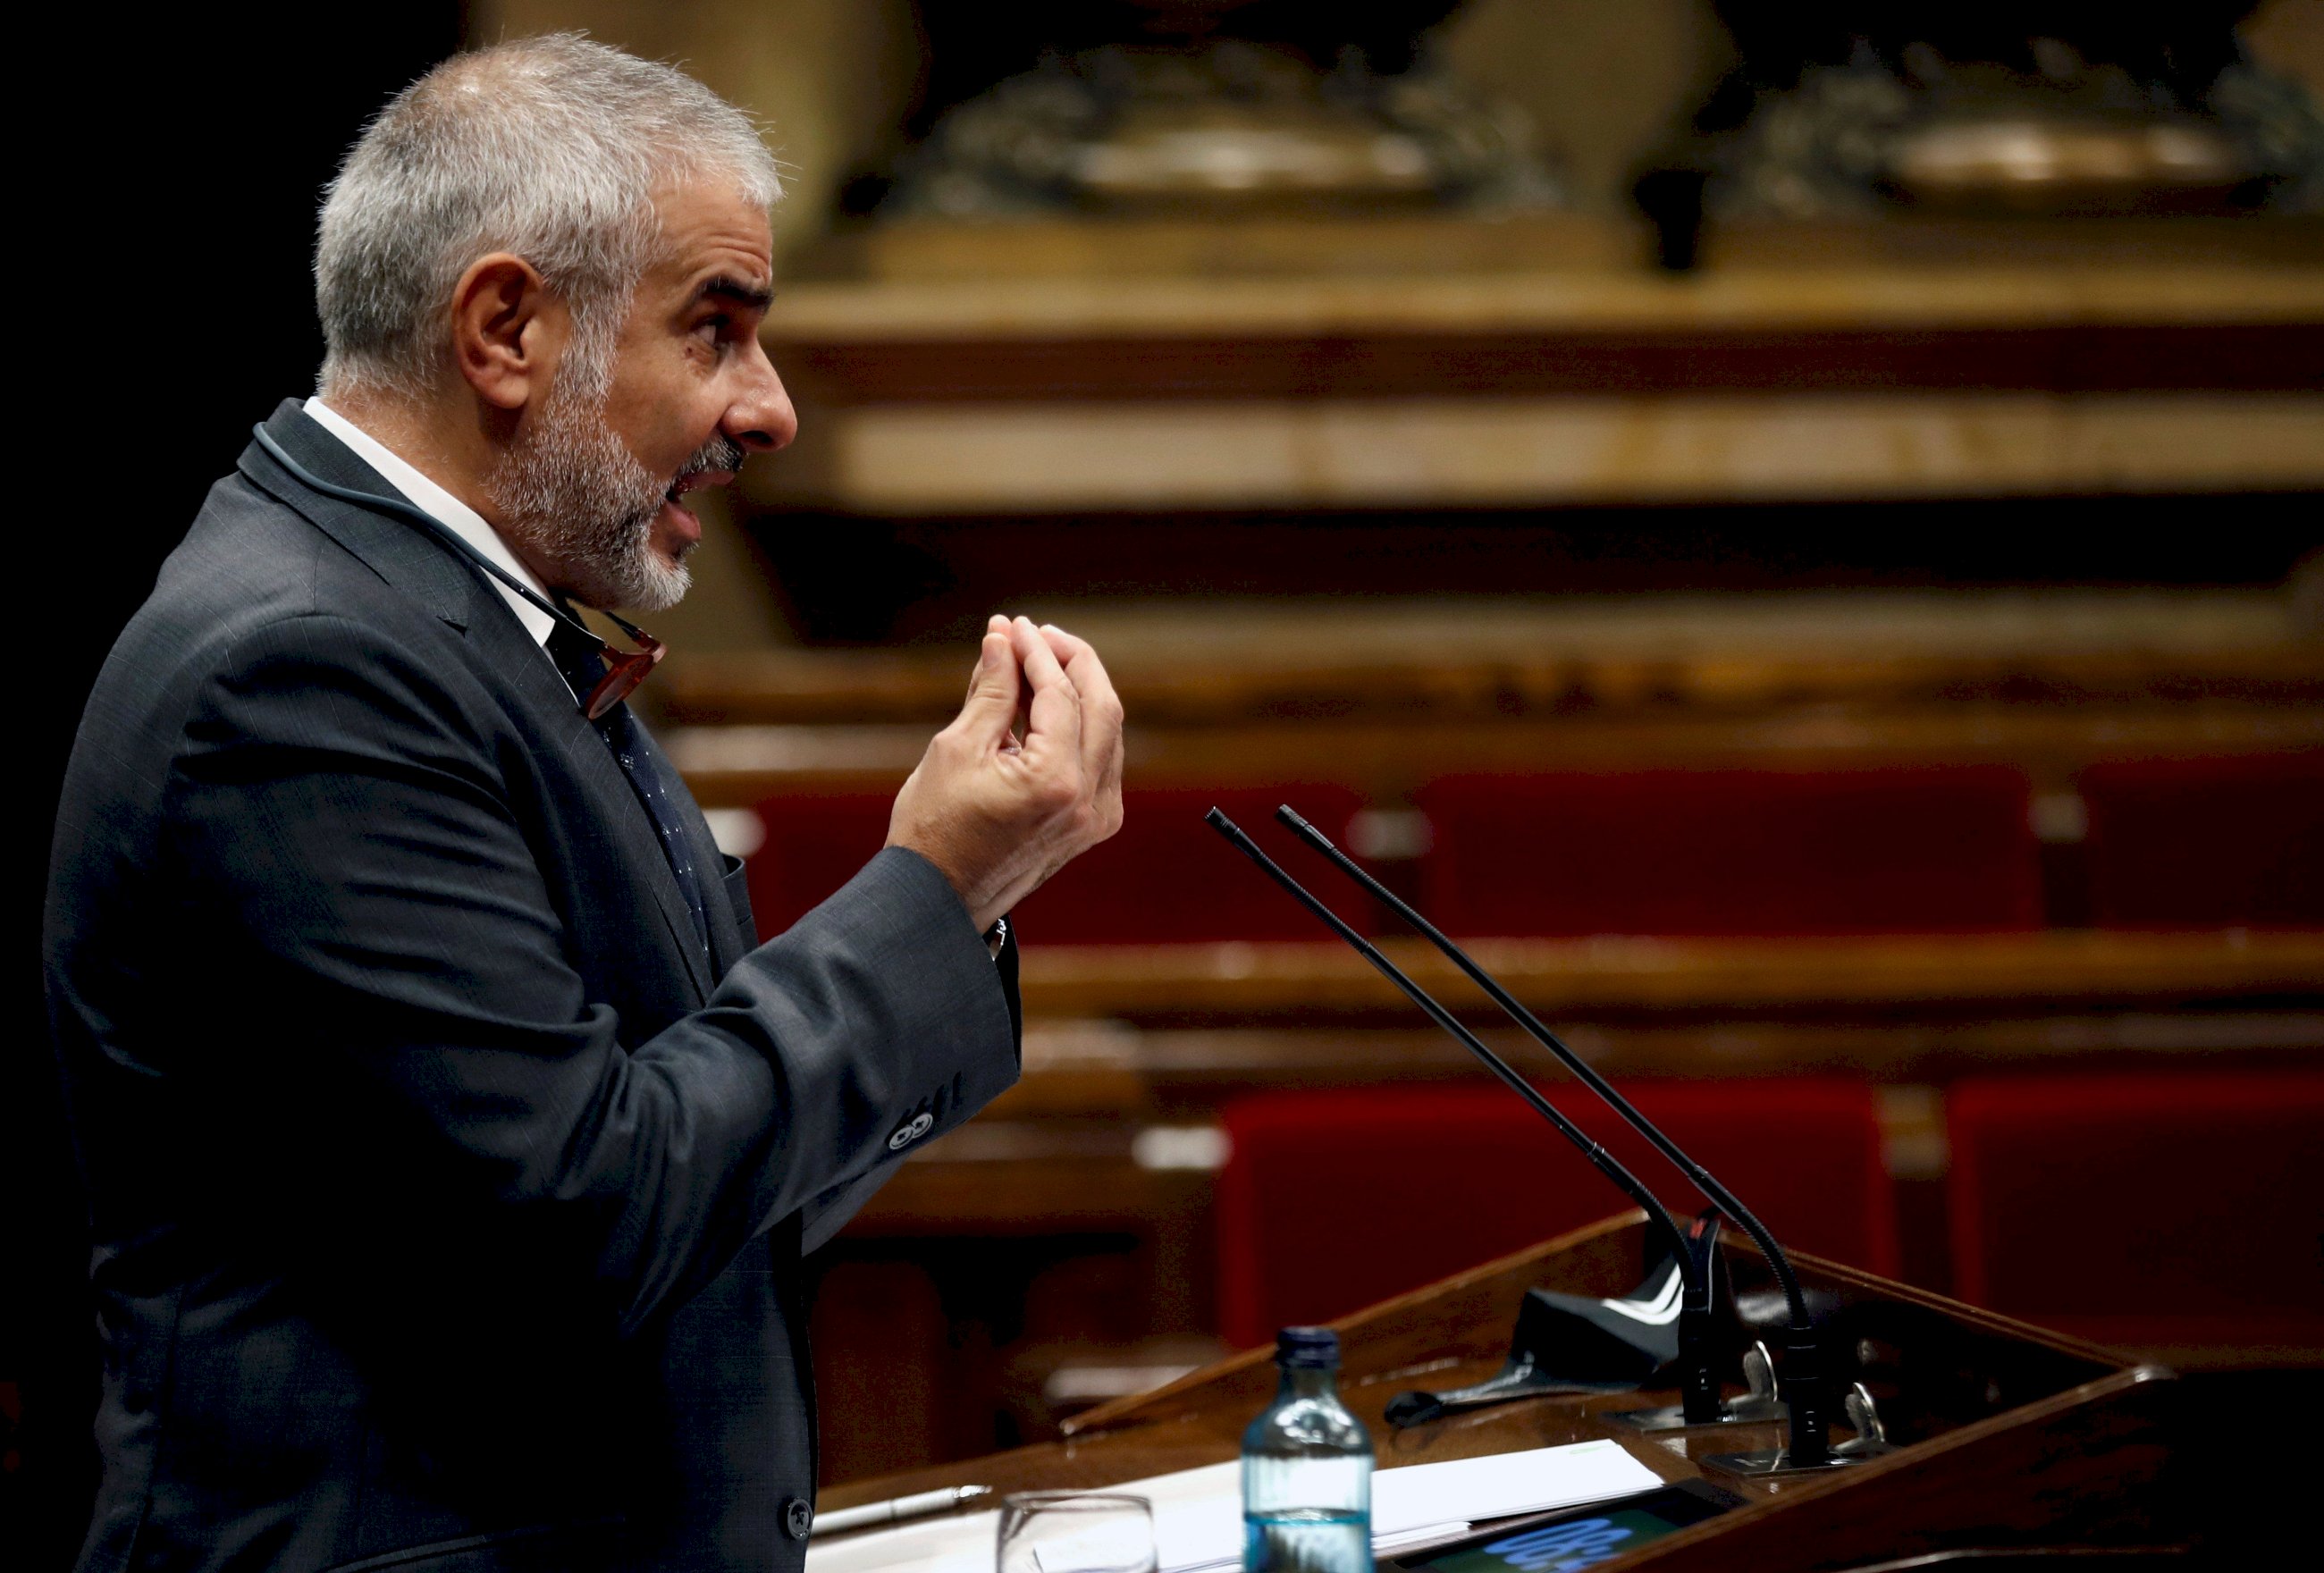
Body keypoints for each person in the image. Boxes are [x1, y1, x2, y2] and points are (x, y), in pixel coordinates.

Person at [43, 34, 1123, 1573]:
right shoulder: (303, 673)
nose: (771, 410)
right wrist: (932, 892)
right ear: (506, 329)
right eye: (718, 331)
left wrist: (968, 899)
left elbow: (698, 1174)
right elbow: (586, 1214)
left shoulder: (465, 619)